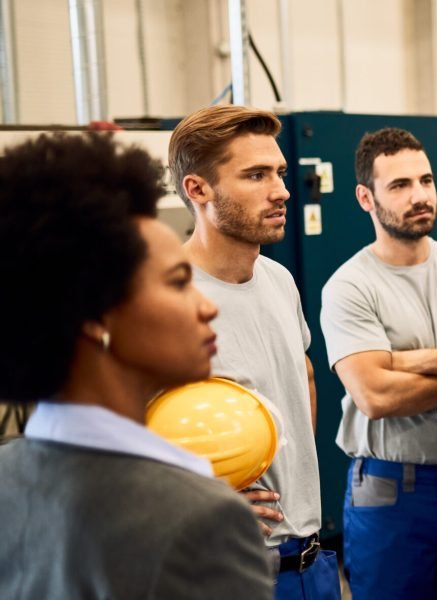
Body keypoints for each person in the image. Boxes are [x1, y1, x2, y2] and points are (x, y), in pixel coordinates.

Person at [0, 133, 271, 598]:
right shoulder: (198, 519)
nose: (207, 308)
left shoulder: (9, 476)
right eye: (177, 282)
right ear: (95, 315)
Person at [169, 105, 339, 599]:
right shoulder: (162, 300)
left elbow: (301, 375)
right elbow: (114, 450)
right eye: (256, 175)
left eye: (280, 173)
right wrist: (198, 504)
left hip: (311, 562)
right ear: (197, 189)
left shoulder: (279, 280)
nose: (281, 190)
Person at [320, 128, 437, 599]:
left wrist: (403, 361)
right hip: (390, 490)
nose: (419, 196)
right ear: (365, 197)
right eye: (399, 185)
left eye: (426, 181)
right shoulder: (350, 287)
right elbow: (375, 396)